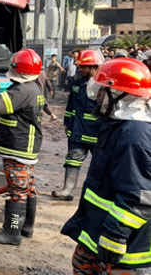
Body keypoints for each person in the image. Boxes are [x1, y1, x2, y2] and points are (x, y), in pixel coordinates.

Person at [61, 58, 151, 274]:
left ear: (120, 95)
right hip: (97, 231)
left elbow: (139, 197)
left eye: (101, 92)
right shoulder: (117, 127)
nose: (96, 98)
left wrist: (115, 235)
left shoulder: (133, 136)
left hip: (123, 246)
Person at [0, 49, 44, 246]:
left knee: (17, 190)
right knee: (28, 188)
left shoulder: (21, 91)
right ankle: (26, 227)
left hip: (18, 148)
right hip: (26, 147)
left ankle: (12, 233)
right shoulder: (34, 88)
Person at [53, 50, 104, 201]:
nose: (80, 69)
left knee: (101, 164)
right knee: (72, 160)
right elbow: (70, 106)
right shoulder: (77, 83)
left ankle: (98, 195)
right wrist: (67, 123)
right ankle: (67, 190)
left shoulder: (103, 86)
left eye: (84, 67)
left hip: (97, 133)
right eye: (80, 66)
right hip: (77, 130)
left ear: (94, 67)